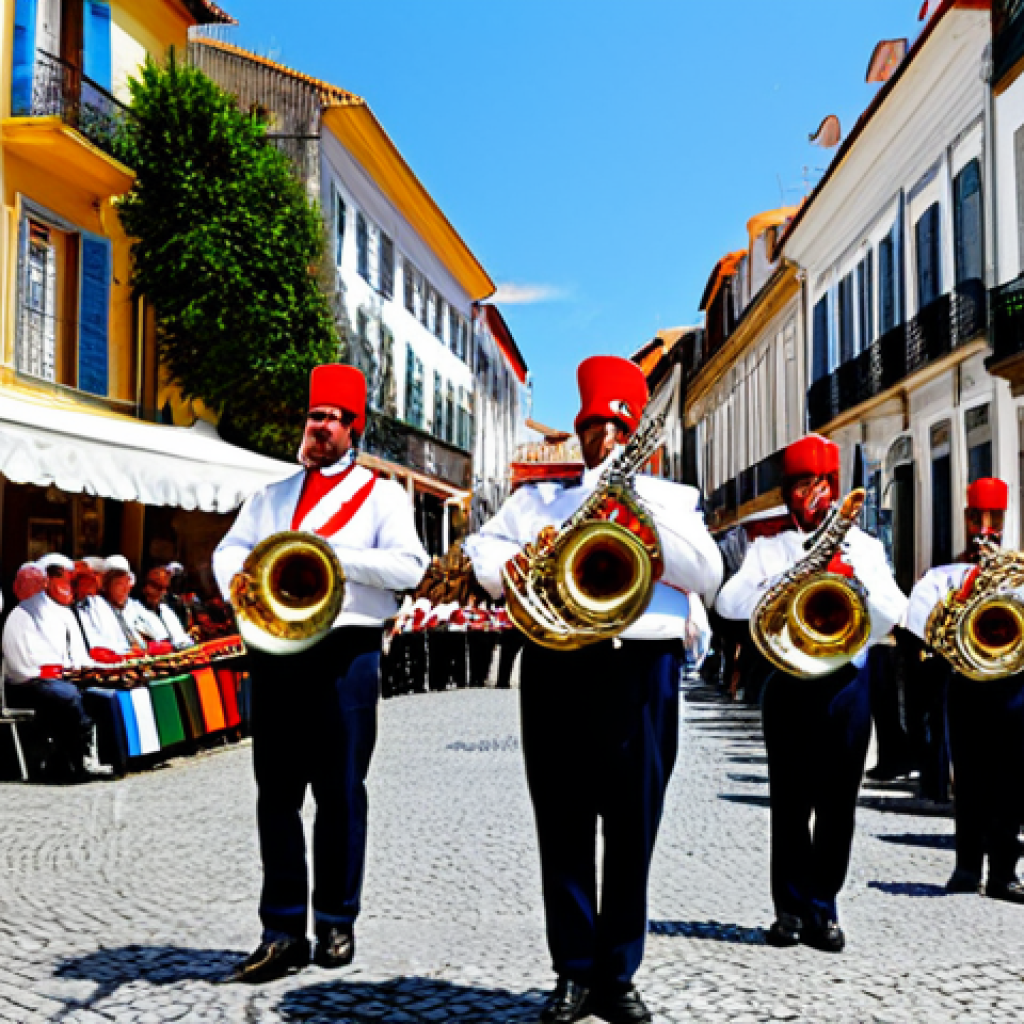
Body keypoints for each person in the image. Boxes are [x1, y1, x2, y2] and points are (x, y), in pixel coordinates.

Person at [465, 355, 723, 1024]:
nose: (601, 440)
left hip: (641, 672)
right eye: (591, 429)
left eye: (614, 428)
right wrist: (513, 561)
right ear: (578, 436)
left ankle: (618, 972)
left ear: (635, 433)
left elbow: (708, 572)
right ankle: (573, 971)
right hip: (557, 667)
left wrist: (633, 509)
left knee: (634, 828)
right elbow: (485, 554)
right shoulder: (540, 502)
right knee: (563, 824)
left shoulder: (674, 500)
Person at [213, 364, 429, 984]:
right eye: (314, 418)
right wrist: (240, 579)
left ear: (352, 428)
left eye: (331, 420)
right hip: (278, 652)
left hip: (345, 655)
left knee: (339, 793)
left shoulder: (382, 494)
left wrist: (337, 556)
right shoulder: (273, 495)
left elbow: (410, 565)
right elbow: (232, 548)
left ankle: (335, 917)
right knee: (276, 796)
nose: (319, 430)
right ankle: (281, 928)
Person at [716, 434, 907, 953]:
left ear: (834, 487)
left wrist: (857, 587)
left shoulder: (863, 546)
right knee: (789, 803)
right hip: (788, 683)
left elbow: (896, 611)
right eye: (803, 485)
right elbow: (729, 603)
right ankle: (789, 910)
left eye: (821, 484)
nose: (814, 495)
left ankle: (825, 906)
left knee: (838, 806)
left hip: (847, 684)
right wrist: (781, 581)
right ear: (789, 492)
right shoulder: (768, 546)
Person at [903, 477, 1024, 903]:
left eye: (995, 519)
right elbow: (918, 621)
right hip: (966, 684)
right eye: (979, 518)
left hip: (1013, 685)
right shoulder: (945, 575)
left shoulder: (1019, 571)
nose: (986, 527)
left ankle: (1005, 873)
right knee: (969, 777)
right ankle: (967, 866)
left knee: (1012, 779)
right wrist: (969, 592)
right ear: (967, 519)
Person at [2, 553, 101, 781]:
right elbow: (18, 669)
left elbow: (70, 657)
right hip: (27, 685)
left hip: (55, 679)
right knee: (66, 696)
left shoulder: (58, 615)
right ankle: (78, 760)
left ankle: (82, 758)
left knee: (92, 692)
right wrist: (44, 672)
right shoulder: (18, 617)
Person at [77, 556, 146, 656]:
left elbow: (139, 641)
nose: (125, 589)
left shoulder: (123, 608)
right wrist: (128, 651)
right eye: (119, 584)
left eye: (127, 583)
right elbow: (96, 645)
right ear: (104, 584)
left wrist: (141, 647)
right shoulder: (94, 605)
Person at [131, 567, 194, 650]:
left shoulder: (166, 610)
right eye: (158, 587)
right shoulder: (132, 610)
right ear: (145, 587)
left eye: (165, 588)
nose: (163, 593)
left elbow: (181, 637)